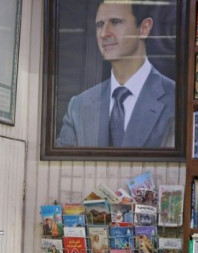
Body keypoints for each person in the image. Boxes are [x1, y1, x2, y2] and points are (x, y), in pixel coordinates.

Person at [55, 0, 175, 148]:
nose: (104, 33)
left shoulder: (176, 99)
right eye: (100, 25)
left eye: (116, 22)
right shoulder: (78, 106)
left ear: (144, 28)